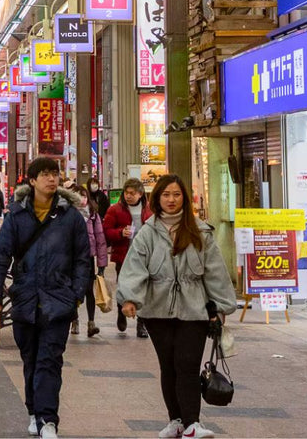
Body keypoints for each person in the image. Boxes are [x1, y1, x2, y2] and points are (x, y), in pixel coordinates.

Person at [116, 175, 236, 439]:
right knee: (168, 366)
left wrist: (221, 307)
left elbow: (215, 271)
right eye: (166, 195)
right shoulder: (147, 232)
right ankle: (177, 420)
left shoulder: (200, 231)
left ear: (184, 198)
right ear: (157, 198)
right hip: (157, 310)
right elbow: (134, 268)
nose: (171, 200)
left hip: (194, 310)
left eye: (177, 194)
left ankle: (193, 423)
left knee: (187, 364)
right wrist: (129, 298)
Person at [0, 157, 91, 439]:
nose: (51, 179)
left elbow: (83, 259)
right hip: (25, 299)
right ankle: (34, 411)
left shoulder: (71, 216)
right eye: (44, 175)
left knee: (50, 360)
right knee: (30, 358)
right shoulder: (17, 215)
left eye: (54, 174)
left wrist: (76, 294)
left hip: (58, 301)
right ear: (32, 181)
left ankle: (48, 420)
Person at [103, 178, 151, 337]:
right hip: (124, 255)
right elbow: (106, 231)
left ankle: (141, 323)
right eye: (126, 192)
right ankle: (121, 311)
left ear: (140, 194)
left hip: (145, 257)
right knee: (123, 285)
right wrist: (119, 232)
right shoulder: (115, 209)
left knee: (145, 288)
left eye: (132, 193)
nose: (129, 196)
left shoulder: (149, 209)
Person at [69, 181, 109, 338]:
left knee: (88, 291)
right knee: (73, 289)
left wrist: (102, 264)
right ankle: (75, 320)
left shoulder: (93, 215)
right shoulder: (68, 214)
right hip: (72, 258)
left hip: (88, 258)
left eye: (84, 195)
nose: (81, 199)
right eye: (78, 196)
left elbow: (100, 239)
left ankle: (91, 322)